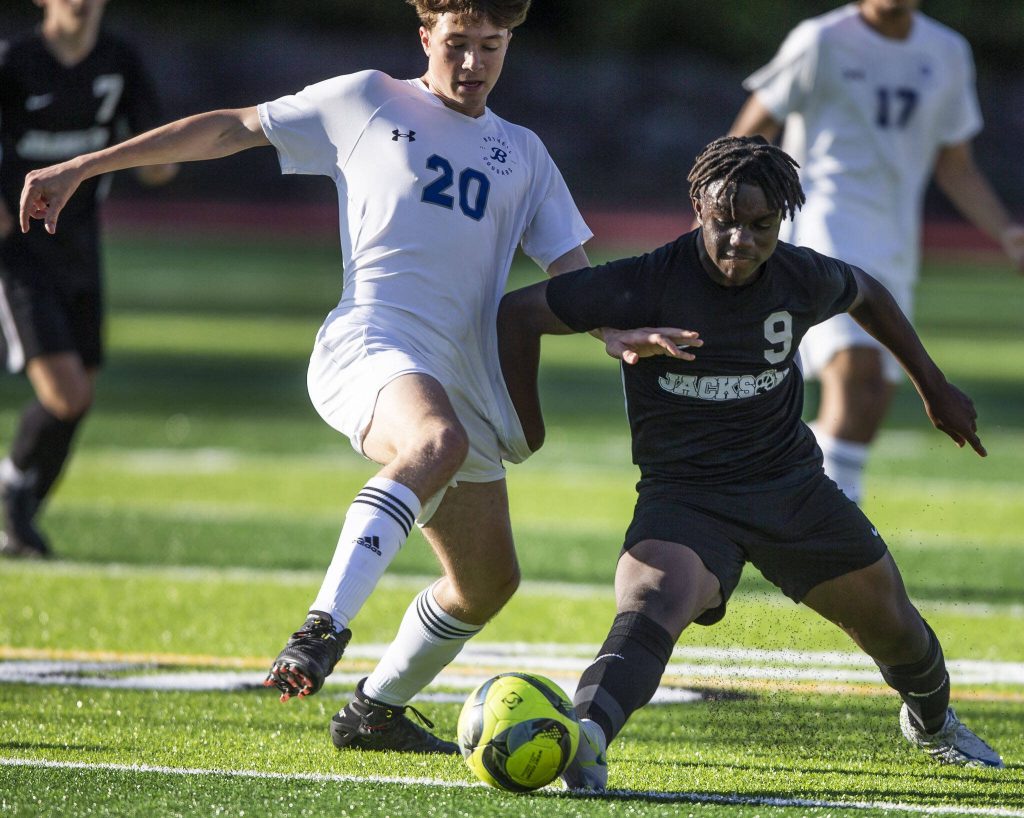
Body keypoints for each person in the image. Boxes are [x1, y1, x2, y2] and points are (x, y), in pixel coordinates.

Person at [18, 0, 682, 753]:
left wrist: (612, 330)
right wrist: (85, 164)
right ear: (425, 36)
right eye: (457, 44)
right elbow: (232, 127)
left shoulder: (522, 152)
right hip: (372, 340)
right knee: (436, 440)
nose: (472, 64)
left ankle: (375, 708)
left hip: (461, 373)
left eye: (490, 47)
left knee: (487, 581)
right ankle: (322, 626)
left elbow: (568, 270)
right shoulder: (367, 99)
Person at [497, 135, 1005, 790]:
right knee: (653, 602)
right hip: (685, 500)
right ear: (698, 210)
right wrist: (526, 427)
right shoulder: (643, 282)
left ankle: (934, 726)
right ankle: (585, 741)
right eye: (724, 223)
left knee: (897, 629)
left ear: (781, 220)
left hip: (790, 490)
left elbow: (869, 294)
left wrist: (935, 388)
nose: (740, 239)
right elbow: (517, 314)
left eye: (760, 225)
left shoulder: (801, 277)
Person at [727, 0, 1024, 505]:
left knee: (866, 408)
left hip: (895, 245)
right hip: (824, 228)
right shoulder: (819, 40)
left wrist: (1007, 231)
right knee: (857, 377)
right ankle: (832, 541)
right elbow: (751, 131)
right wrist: (722, 218)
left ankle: (778, 495)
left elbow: (955, 164)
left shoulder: (948, 51)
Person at [0, 0, 178, 559]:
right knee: (65, 391)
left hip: (79, 247)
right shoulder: (14, 62)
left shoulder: (119, 60)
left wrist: (158, 157)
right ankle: (12, 499)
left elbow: (157, 158)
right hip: (19, 252)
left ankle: (17, 518)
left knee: (80, 394)